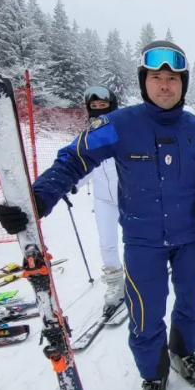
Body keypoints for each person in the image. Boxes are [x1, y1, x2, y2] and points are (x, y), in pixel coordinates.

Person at [0, 40, 195, 390]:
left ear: (183, 84)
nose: (165, 85)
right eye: (157, 77)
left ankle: (183, 352)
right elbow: (72, 160)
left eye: (173, 78)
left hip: (192, 237)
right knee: (144, 312)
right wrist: (37, 198)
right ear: (144, 82)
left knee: (192, 303)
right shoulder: (119, 125)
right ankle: (153, 375)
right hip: (142, 239)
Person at [71, 86, 125, 311]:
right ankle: (115, 283)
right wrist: (73, 184)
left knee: (135, 240)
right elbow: (84, 165)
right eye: (94, 107)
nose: (98, 111)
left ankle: (141, 276)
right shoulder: (87, 137)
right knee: (107, 243)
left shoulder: (123, 131)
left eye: (103, 106)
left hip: (128, 195)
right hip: (103, 199)